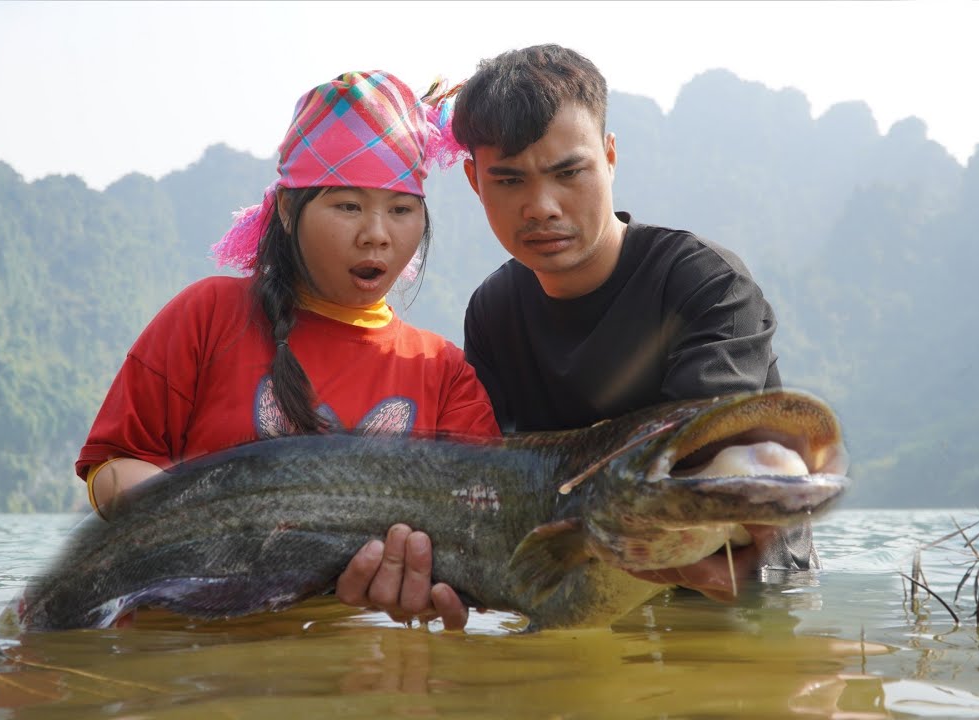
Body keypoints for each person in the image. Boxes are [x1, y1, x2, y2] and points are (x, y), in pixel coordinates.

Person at [338, 44, 816, 617]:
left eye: (568, 172)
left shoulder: (704, 283)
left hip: (740, 593)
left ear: (610, 156)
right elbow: (491, 490)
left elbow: (696, 457)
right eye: (509, 180)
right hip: (585, 589)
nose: (540, 207)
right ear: (473, 180)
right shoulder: (494, 311)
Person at [75, 71, 500, 630]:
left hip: (347, 659)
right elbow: (112, 462)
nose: (377, 234)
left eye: (401, 209)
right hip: (180, 654)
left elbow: (483, 521)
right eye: (348, 206)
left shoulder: (441, 371)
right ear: (284, 210)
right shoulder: (210, 315)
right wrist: (196, 524)